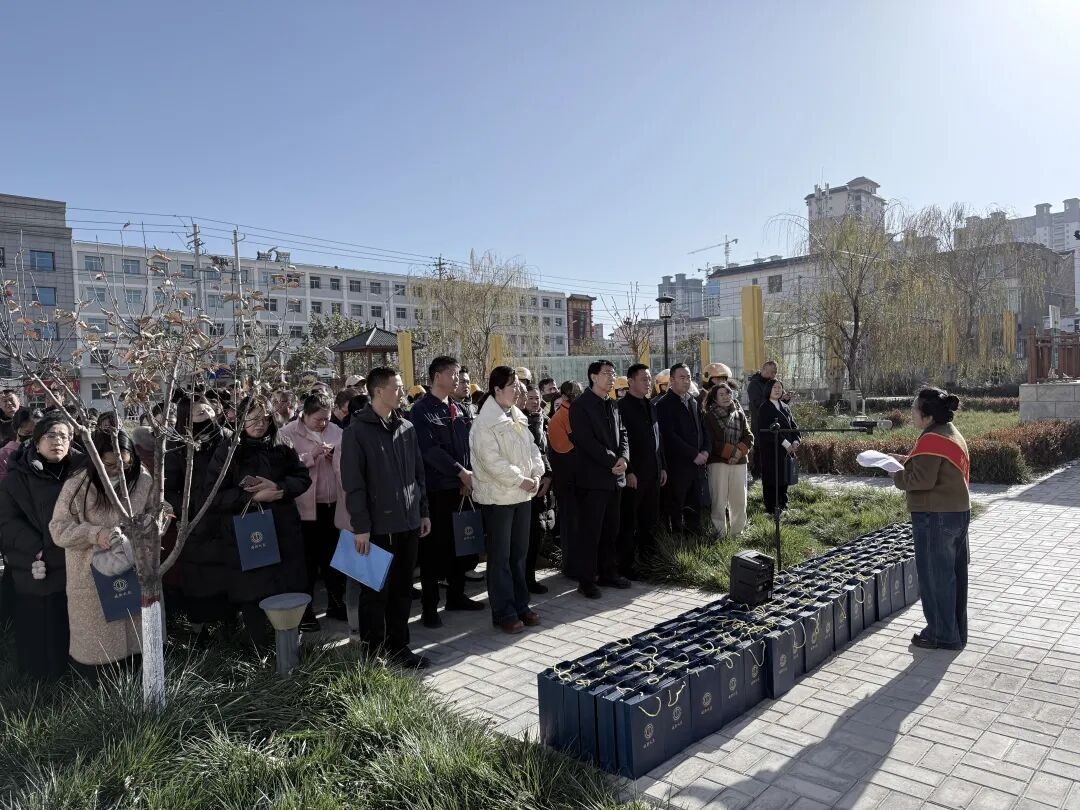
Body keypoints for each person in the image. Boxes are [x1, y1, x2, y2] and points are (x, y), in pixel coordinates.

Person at [339, 366, 431, 668]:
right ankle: (372, 653)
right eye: (397, 387)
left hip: (408, 523)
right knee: (374, 593)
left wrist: (423, 512)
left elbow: (418, 475)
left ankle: (399, 647)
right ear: (378, 391)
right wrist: (361, 527)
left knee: (403, 590)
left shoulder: (407, 427)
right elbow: (353, 485)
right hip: (376, 528)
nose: (402, 391)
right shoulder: (357, 432)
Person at [206, 396, 311, 648]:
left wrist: (280, 488)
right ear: (240, 420)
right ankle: (257, 651)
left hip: (284, 530)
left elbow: (302, 478)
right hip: (247, 534)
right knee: (253, 595)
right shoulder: (228, 450)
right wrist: (251, 498)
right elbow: (214, 495)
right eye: (251, 419)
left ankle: (290, 650)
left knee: (287, 591)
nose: (259, 424)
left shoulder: (282, 443)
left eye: (263, 418)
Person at [50, 430, 152, 675]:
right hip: (92, 573)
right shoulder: (78, 485)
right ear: (95, 459)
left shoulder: (143, 478)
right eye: (109, 465)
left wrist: (149, 522)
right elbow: (58, 528)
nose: (118, 470)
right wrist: (95, 534)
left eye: (124, 464)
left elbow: (161, 507)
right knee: (101, 647)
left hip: (135, 565)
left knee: (139, 636)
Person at [0, 413, 84, 678]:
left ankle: (74, 672)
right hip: (36, 561)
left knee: (73, 619)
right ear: (36, 442)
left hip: (76, 558)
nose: (57, 441)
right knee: (39, 622)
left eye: (64, 436)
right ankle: (38, 678)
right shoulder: (17, 477)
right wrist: (36, 548)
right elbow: (7, 521)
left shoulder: (82, 472)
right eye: (50, 435)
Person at [889, 388, 970, 650]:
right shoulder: (950, 433)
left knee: (935, 578)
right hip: (956, 512)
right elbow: (934, 466)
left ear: (927, 415)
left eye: (914, 408)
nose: (911, 412)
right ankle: (955, 632)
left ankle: (941, 635)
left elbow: (921, 480)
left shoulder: (931, 439)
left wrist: (896, 474)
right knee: (953, 576)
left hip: (936, 516)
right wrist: (907, 461)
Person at [405, 356, 484, 628]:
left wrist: (467, 475)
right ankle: (429, 608)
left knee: (460, 545)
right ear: (437, 376)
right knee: (432, 552)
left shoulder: (459, 408)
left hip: (461, 488)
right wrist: (459, 471)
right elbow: (428, 451)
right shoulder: (421, 411)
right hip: (436, 490)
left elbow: (468, 446)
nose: (457, 379)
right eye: (453, 374)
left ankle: (456, 595)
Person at [470, 367, 545, 633]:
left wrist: (536, 473)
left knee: (518, 555)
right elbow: (492, 462)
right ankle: (504, 612)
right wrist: (520, 479)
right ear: (497, 389)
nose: (518, 391)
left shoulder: (517, 417)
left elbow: (533, 449)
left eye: (518, 386)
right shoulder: (484, 423)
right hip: (498, 499)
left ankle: (521, 605)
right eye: (512, 386)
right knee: (500, 558)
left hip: (522, 495)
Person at [166, 395, 232, 631]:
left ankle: (230, 626)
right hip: (195, 522)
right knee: (200, 577)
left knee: (228, 574)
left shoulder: (227, 438)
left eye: (209, 410)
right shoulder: (176, 445)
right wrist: (190, 508)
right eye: (200, 414)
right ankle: (200, 630)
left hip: (225, 516)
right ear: (186, 419)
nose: (209, 416)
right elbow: (168, 488)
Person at [281, 392, 346, 629]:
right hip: (304, 509)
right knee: (306, 562)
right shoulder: (287, 433)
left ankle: (336, 602)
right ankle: (305, 611)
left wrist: (334, 455)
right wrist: (311, 456)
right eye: (318, 419)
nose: (323, 423)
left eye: (327, 418)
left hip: (332, 504)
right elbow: (283, 466)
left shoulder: (336, 431)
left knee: (334, 559)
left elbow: (347, 459)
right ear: (305, 415)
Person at [568, 360, 630, 598]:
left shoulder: (612, 403)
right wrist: (613, 460)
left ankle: (608, 573)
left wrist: (624, 458)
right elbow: (585, 441)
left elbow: (623, 433)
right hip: (593, 480)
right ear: (593, 377)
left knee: (611, 530)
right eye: (606, 373)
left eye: (613, 373)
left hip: (615, 478)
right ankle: (586, 580)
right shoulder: (581, 405)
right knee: (590, 533)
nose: (612, 377)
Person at [617, 364, 666, 579]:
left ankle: (649, 562)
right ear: (630, 382)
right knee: (629, 522)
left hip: (654, 473)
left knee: (650, 521)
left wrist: (662, 466)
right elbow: (621, 443)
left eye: (649, 378)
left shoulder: (651, 405)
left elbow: (658, 439)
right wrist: (629, 472)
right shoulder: (621, 407)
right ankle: (626, 566)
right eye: (643, 379)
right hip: (634, 475)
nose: (648, 382)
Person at [655, 363, 709, 534]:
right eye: (682, 377)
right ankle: (676, 542)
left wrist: (705, 450)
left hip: (698, 464)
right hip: (677, 466)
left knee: (695, 505)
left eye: (689, 377)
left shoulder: (693, 401)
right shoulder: (663, 404)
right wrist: (693, 454)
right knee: (676, 506)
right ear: (672, 380)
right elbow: (669, 436)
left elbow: (703, 429)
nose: (686, 381)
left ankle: (694, 538)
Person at [702, 382, 753, 535]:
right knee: (719, 499)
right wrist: (731, 453)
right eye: (721, 394)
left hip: (739, 461)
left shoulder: (739, 414)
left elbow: (749, 437)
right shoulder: (709, 416)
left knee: (739, 499)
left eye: (728, 393)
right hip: (718, 462)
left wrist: (738, 454)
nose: (726, 397)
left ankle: (737, 532)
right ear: (715, 398)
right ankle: (719, 532)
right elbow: (710, 441)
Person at [522, 385, 553, 594]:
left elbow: (548, 451)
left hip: (545, 483)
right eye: (530, 398)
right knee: (530, 533)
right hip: (529, 483)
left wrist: (550, 476)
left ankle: (529, 577)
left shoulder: (545, 421)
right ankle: (526, 579)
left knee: (539, 531)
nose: (534, 402)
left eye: (536, 398)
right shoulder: (521, 422)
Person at [547, 380, 582, 563]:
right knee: (571, 524)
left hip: (573, 478)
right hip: (568, 479)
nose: (577, 396)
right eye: (573, 393)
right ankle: (572, 565)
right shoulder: (564, 415)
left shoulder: (570, 413)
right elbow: (575, 444)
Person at [757, 378, 800, 516]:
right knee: (772, 477)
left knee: (784, 477)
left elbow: (793, 426)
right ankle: (771, 508)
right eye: (774, 387)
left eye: (779, 387)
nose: (777, 390)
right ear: (768, 389)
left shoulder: (785, 406)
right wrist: (786, 444)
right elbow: (769, 430)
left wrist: (796, 441)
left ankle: (783, 505)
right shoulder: (764, 407)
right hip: (772, 449)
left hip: (788, 449)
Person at [747, 360, 778, 480]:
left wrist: (785, 398)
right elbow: (757, 403)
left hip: (774, 421)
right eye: (768, 371)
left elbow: (780, 399)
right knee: (760, 449)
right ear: (763, 370)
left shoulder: (775, 383)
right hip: (760, 421)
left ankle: (770, 474)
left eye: (773, 372)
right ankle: (757, 474)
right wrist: (773, 400)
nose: (771, 374)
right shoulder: (754, 384)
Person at [0, 408, 38, 481]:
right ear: (16, 430)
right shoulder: (3, 455)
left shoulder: (47, 452)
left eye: (38, 432)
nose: (34, 437)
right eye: (28, 433)